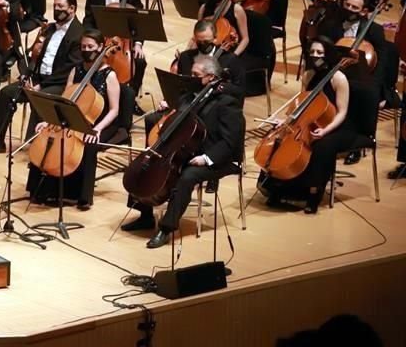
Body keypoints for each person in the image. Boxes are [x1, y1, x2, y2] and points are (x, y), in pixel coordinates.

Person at [121, 55, 244, 248]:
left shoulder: (227, 103)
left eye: (196, 74)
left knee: (187, 176)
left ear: (210, 77)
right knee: (147, 162)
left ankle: (166, 228)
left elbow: (230, 142)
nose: (191, 77)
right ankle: (144, 216)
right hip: (188, 150)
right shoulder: (189, 96)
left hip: (217, 157)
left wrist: (206, 158)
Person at [27, 29, 124, 210]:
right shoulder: (76, 69)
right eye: (83, 47)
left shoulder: (109, 75)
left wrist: (98, 129)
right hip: (73, 120)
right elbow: (66, 101)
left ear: (101, 47)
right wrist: (50, 122)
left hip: (99, 122)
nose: (86, 50)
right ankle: (41, 190)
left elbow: (114, 110)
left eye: (90, 47)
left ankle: (81, 196)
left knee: (89, 145)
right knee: (46, 137)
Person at [259, 38, 356, 214]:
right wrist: (287, 121)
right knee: (282, 141)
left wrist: (325, 130)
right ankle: (278, 189)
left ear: (328, 54)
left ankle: (313, 195)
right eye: (312, 52)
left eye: (319, 53)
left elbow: (342, 112)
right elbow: (301, 105)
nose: (315, 56)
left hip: (334, 125)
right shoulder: (308, 75)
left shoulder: (339, 79)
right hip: (307, 123)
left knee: (321, 147)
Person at [0, 0, 84, 154]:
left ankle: (40, 148)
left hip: (60, 83)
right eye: (55, 6)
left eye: (61, 7)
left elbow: (70, 68)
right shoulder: (48, 29)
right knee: (7, 93)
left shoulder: (78, 34)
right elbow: (35, 56)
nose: (56, 9)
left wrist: (40, 86)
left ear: (72, 8)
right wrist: (26, 75)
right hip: (37, 79)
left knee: (41, 99)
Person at [85, 0, 148, 99]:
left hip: (126, 42)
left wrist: (138, 44)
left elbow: (140, 20)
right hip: (102, 39)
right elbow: (88, 20)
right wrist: (93, 39)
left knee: (139, 62)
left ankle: (131, 98)